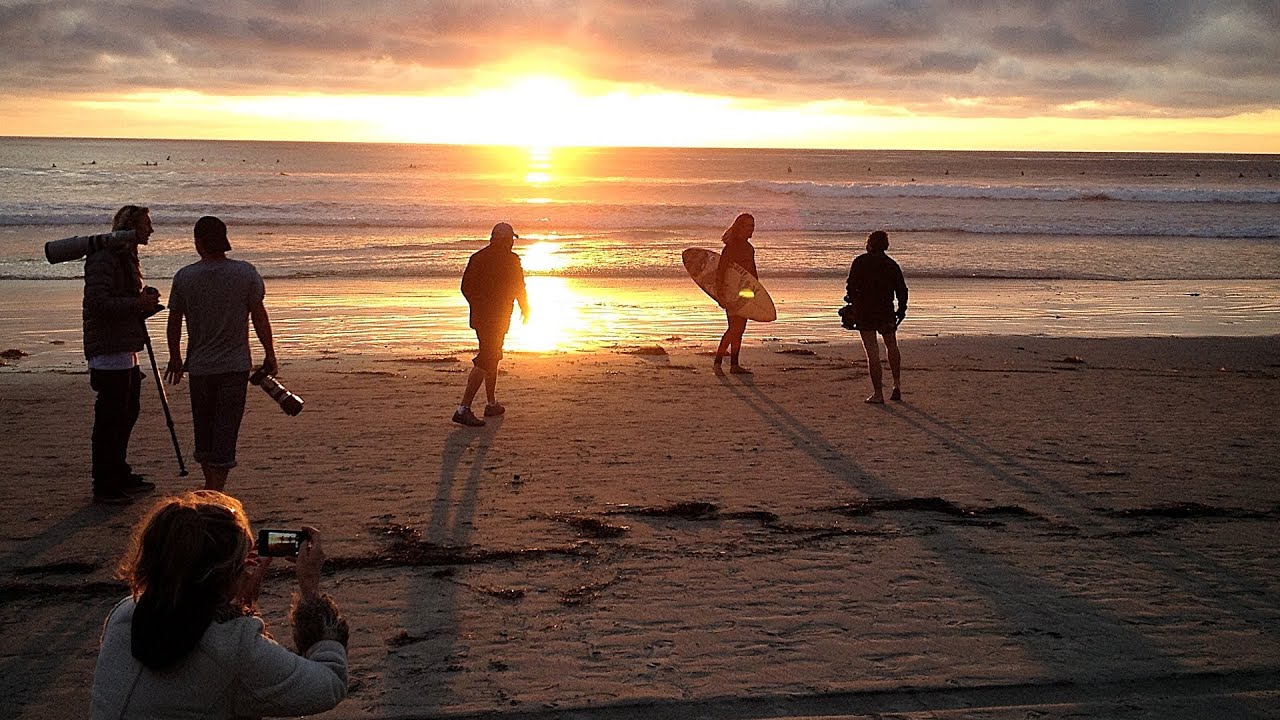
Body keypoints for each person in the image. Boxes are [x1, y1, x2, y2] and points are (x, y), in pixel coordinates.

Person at [90, 491, 349, 719]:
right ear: (225, 576)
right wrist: (310, 590)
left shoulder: (124, 614)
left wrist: (239, 603)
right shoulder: (234, 647)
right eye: (240, 563)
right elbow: (329, 683)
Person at [164, 216, 277, 491]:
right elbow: (259, 316)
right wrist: (269, 352)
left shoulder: (185, 276)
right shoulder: (245, 273)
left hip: (201, 367)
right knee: (226, 430)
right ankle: (216, 488)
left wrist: (175, 356)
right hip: (234, 365)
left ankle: (211, 485)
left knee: (204, 429)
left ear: (198, 242)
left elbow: (174, 321)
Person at [83, 204, 161, 505]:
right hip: (108, 349)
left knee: (128, 411)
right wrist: (137, 304)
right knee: (110, 417)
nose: (151, 230)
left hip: (123, 346)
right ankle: (104, 483)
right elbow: (98, 303)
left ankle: (118, 470)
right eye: (146, 224)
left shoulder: (125, 255)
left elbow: (121, 301)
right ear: (131, 227)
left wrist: (144, 305)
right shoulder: (104, 257)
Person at [453, 222, 529, 427]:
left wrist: (478, 305)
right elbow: (519, 287)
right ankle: (463, 408)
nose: (513, 243)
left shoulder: (477, 258)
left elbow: (465, 287)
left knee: (492, 355)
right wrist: (526, 308)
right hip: (497, 317)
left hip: (481, 317)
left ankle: (491, 403)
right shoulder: (511, 261)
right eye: (511, 239)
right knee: (487, 357)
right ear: (506, 240)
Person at [845, 230, 908, 403]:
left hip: (865, 312)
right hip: (886, 311)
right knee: (892, 346)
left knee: (872, 352)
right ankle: (897, 385)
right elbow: (902, 290)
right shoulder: (891, 264)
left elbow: (850, 287)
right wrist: (901, 310)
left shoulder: (860, 262)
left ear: (870, 244)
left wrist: (852, 302)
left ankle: (878, 393)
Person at [714, 212, 758, 374]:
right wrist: (720, 294)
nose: (751, 229)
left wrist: (756, 292)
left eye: (752, 226)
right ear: (740, 227)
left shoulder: (749, 248)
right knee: (734, 328)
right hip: (731, 292)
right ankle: (718, 362)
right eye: (748, 226)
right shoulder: (731, 247)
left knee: (740, 328)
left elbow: (752, 274)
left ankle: (734, 365)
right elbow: (721, 272)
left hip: (745, 292)